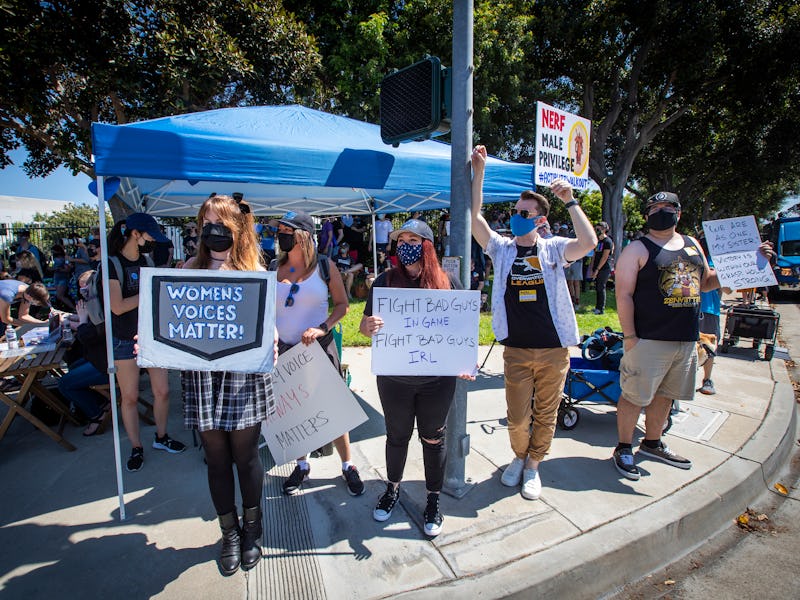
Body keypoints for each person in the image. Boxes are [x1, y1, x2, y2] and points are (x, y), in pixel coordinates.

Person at [470, 145, 596, 500]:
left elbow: (589, 242)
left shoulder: (555, 248)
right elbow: (474, 217)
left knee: (546, 412)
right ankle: (518, 455)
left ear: (540, 218)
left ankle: (533, 465)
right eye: (515, 211)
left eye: (525, 212)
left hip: (554, 351)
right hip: (517, 349)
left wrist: (570, 200)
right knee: (516, 416)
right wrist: (479, 172)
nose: (517, 215)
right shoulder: (503, 248)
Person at [360, 218, 475, 537]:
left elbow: (461, 329)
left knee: (433, 437)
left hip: (436, 382)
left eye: (412, 240)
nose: (404, 246)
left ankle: (433, 500)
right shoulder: (384, 282)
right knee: (396, 436)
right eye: (400, 240)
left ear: (426, 247)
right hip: (394, 378)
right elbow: (364, 324)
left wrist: (464, 360)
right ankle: (392, 489)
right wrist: (367, 327)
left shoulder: (447, 282)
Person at [181, 194, 274, 575]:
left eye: (220, 223)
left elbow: (268, 323)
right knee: (216, 459)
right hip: (203, 376)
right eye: (206, 222)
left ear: (237, 228)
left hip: (243, 375)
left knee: (246, 456)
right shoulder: (187, 267)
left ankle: (253, 528)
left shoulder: (253, 269)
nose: (212, 230)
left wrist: (275, 341)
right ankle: (229, 531)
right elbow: (173, 319)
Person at [611, 191, 714, 480]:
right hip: (649, 339)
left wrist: (743, 268)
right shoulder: (638, 249)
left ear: (678, 213)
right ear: (647, 214)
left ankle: (652, 442)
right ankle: (623, 448)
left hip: (685, 338)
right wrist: (630, 337)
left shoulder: (693, 245)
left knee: (666, 396)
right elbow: (624, 295)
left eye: (668, 206)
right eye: (655, 207)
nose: (661, 210)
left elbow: (705, 283)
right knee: (634, 396)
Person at [273, 211, 365, 497]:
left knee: (332, 409)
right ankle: (302, 465)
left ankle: (348, 465)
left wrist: (322, 327)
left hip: (318, 350)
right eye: (280, 230)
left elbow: (342, 305)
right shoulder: (274, 266)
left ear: (301, 236)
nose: (280, 235)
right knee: (296, 411)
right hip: (285, 352)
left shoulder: (325, 266)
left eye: (285, 230)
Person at [107, 212, 186, 472]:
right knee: (129, 397)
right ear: (135, 233)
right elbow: (117, 307)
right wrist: (151, 289)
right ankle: (136, 447)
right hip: (123, 339)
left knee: (162, 391)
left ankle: (161, 437)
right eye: (149, 234)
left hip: (152, 337)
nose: (152, 240)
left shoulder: (148, 260)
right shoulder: (111, 264)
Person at [60, 272, 111, 436]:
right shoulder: (99, 302)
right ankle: (101, 402)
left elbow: (90, 335)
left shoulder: (101, 304)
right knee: (73, 366)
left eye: (85, 288)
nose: (82, 292)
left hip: (108, 365)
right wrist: (73, 318)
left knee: (64, 384)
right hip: (101, 359)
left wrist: (81, 320)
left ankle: (96, 414)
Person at [590, 221, 614, 314]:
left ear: (604, 229)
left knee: (601, 287)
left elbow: (604, 257)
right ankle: (597, 306)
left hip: (604, 268)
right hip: (597, 266)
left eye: (599, 229)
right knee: (597, 287)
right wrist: (592, 266)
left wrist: (597, 269)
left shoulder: (607, 241)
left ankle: (601, 309)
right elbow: (595, 254)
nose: (597, 230)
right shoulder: (598, 241)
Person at [51, 243, 76, 312]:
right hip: (57, 277)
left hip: (63, 278)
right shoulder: (54, 258)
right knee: (58, 295)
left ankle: (74, 308)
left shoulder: (65, 258)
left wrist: (60, 269)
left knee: (60, 295)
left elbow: (68, 269)